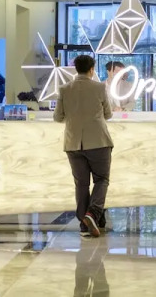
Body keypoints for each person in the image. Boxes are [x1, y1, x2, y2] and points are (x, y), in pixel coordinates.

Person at [55, 55, 113, 238]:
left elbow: (57, 117)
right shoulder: (100, 87)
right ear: (92, 69)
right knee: (101, 180)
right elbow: (108, 114)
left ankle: (84, 226)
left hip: (73, 144)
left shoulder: (64, 89)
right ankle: (92, 215)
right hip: (98, 142)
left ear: (76, 69)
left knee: (81, 184)